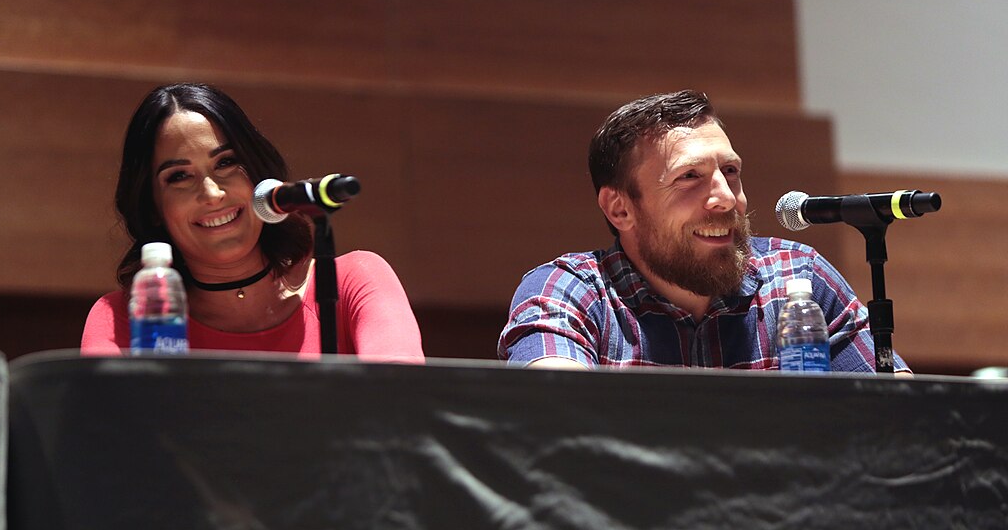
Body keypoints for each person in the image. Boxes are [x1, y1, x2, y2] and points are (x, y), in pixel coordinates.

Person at [497, 90, 909, 373]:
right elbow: (551, 417)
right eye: (690, 177)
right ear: (620, 208)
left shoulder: (799, 278)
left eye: (730, 172)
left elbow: (902, 421)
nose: (727, 199)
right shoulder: (570, 291)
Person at [81, 83, 423, 361]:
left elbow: (400, 404)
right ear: (152, 206)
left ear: (259, 174)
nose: (213, 193)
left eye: (227, 162)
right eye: (180, 176)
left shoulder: (353, 281)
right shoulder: (123, 318)